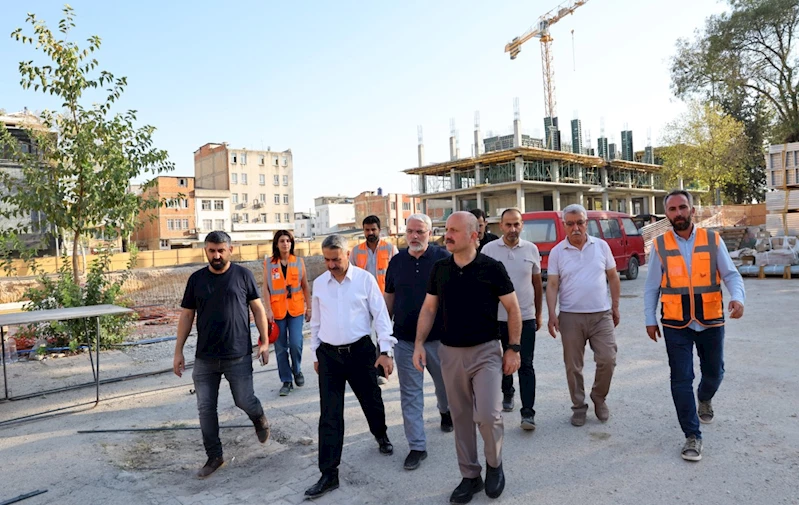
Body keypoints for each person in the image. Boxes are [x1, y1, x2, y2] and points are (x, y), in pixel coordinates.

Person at [414, 211, 521, 504]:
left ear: (474, 236)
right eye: (446, 229)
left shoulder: (492, 268)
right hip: (450, 353)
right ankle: (470, 476)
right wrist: (419, 344)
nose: (447, 235)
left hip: (486, 352)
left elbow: (513, 309)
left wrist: (513, 348)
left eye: (454, 231)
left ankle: (494, 464)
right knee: (460, 418)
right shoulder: (440, 269)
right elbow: (428, 309)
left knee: (488, 415)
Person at [644, 189, 745, 462]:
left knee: (715, 372)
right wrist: (649, 319)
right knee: (681, 379)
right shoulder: (660, 245)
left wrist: (737, 298)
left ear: (692, 210)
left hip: (710, 319)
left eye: (682, 207)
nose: (678, 213)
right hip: (675, 323)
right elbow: (652, 286)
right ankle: (692, 435)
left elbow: (731, 275)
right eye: (672, 209)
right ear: (667, 214)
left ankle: (705, 397)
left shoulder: (712, 240)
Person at [305, 234, 397, 499]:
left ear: (347, 254)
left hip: (360, 352)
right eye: (326, 260)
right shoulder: (320, 284)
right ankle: (329, 473)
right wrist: (315, 354)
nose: (331, 265)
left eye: (335, 259)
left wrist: (385, 351)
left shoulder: (365, 280)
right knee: (330, 414)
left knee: (371, 400)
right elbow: (316, 322)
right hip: (329, 356)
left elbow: (381, 316)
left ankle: (380, 434)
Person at [173, 231, 271, 479]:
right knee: (205, 408)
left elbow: (258, 309)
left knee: (244, 400)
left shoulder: (243, 275)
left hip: (238, 355)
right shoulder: (196, 279)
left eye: (221, 250)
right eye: (211, 250)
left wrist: (264, 341)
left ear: (230, 250)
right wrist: (178, 351)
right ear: (205, 250)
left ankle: (258, 416)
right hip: (205, 358)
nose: (216, 255)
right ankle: (214, 456)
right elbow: (187, 315)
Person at [384, 213, 453, 472]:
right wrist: (383, 336)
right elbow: (389, 298)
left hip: (439, 339)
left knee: (445, 386)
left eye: (420, 231)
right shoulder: (397, 261)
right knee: (410, 395)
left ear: (429, 233)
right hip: (405, 340)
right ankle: (417, 446)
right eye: (410, 231)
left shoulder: (443, 259)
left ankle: (445, 411)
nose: (414, 236)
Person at [546, 204, 621, 427]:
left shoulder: (601, 246)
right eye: (570, 224)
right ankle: (578, 406)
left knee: (608, 358)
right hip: (570, 316)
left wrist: (615, 307)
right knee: (573, 366)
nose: (575, 228)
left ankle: (599, 397)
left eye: (580, 222)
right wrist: (551, 314)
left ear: (586, 223)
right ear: (564, 226)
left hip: (601, 315)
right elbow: (552, 284)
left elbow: (613, 277)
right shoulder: (557, 252)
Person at [481, 208, 543, 430]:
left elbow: (537, 284)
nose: (512, 229)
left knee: (526, 364)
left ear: (522, 225)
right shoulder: (488, 250)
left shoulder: (531, 249)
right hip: (495, 319)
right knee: (499, 363)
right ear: (501, 226)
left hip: (525, 317)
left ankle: (528, 413)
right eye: (508, 225)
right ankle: (507, 391)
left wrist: (538, 313)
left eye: (516, 224)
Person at [350, 215, 399, 384]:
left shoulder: (390, 249)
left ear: (380, 230)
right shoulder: (356, 251)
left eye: (373, 229)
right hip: (362, 300)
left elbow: (398, 273)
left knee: (382, 334)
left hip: (384, 299)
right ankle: (367, 369)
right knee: (364, 335)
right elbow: (350, 275)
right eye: (367, 230)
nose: (370, 233)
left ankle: (381, 371)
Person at [263, 230, 311, 397]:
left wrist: (309, 307)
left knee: (296, 343)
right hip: (277, 311)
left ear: (292, 243)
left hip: (296, 309)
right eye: (282, 241)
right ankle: (286, 380)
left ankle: (297, 370)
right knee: (281, 347)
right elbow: (265, 288)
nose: (285, 244)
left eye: (288, 241)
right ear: (276, 244)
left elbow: (305, 286)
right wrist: (268, 310)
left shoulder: (298, 262)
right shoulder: (269, 263)